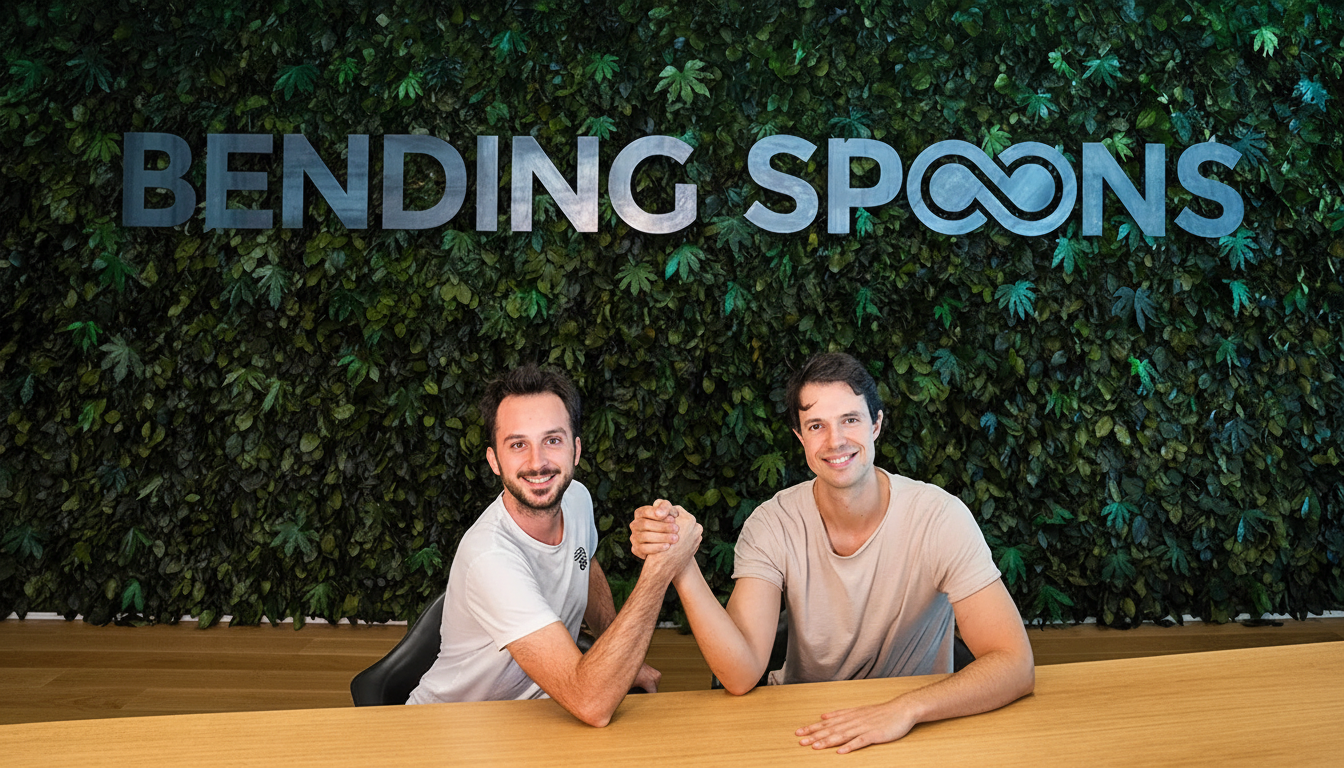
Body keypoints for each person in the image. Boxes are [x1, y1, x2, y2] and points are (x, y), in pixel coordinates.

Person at [629, 352, 1034, 753]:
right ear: (800, 437)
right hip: (806, 725)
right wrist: (679, 561)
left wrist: (905, 709)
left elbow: (1014, 663)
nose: (835, 440)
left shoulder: (940, 518)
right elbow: (739, 674)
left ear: (876, 424)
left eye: (850, 420)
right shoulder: (773, 523)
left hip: (916, 727)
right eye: (817, 425)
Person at [408, 364, 702, 727]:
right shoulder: (490, 557)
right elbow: (591, 704)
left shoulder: (575, 497)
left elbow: (585, 567)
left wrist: (624, 657)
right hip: (451, 726)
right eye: (518, 445)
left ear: (575, 450)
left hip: (536, 715)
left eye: (552, 440)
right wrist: (659, 570)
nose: (538, 463)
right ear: (493, 461)